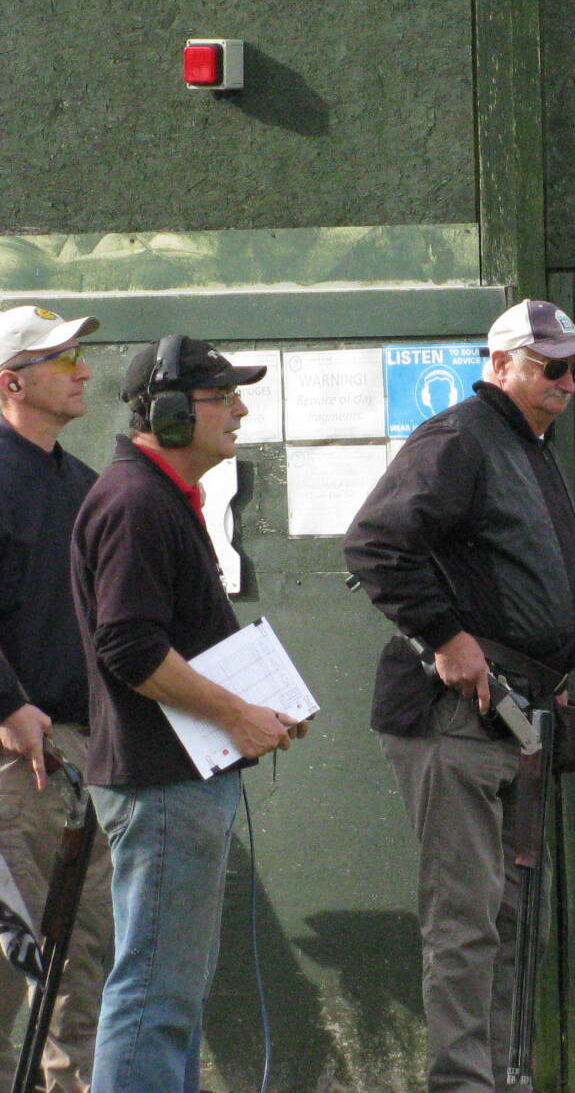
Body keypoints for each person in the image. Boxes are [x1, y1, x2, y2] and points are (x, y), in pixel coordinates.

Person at [344, 299, 575, 1093]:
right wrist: (447, 638)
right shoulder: (463, 435)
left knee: (511, 915)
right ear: (499, 365)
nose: (565, 381)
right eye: (548, 365)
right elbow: (375, 543)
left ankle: (504, 1076)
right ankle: (464, 1083)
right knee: (467, 918)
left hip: (518, 712)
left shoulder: (527, 444)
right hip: (456, 711)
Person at [70, 337, 301, 1093]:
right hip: (162, 782)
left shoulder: (157, 497)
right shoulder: (137, 501)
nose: (239, 410)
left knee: (169, 992)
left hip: (175, 778)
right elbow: (130, 648)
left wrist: (254, 710)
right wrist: (237, 715)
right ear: (168, 414)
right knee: (154, 993)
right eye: (221, 397)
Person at [0, 304, 114, 1093]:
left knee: (87, 954)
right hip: (15, 759)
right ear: (11, 382)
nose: (81, 371)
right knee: (9, 961)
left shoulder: (82, 482)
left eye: (80, 356)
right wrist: (6, 703)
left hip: (87, 752)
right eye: (59, 359)